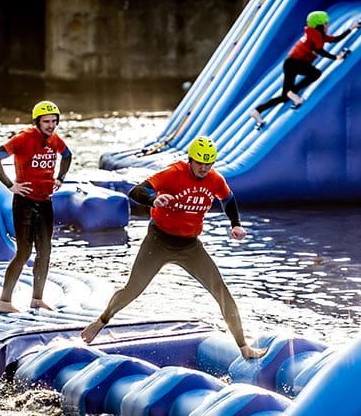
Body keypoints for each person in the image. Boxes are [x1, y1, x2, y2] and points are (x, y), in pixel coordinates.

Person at [81, 136, 266, 360]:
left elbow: (228, 199)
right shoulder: (173, 173)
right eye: (199, 163)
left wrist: (235, 224)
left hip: (190, 246)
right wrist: (153, 201)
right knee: (134, 288)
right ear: (190, 160)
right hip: (159, 241)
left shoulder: (214, 179)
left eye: (209, 164)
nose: (204, 168)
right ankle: (101, 321)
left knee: (221, 290)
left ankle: (244, 347)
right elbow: (136, 192)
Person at [0, 100, 72, 313]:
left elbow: (68, 156)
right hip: (24, 202)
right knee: (24, 253)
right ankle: (4, 301)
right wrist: (10, 185)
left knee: (45, 251)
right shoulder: (24, 138)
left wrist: (60, 177)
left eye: (54, 121)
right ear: (37, 122)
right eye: (46, 122)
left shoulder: (55, 140)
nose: (51, 125)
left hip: (45, 202)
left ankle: (37, 299)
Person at [249, 11, 361, 129]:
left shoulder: (316, 34)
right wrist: (336, 57)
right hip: (295, 63)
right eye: (325, 24)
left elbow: (335, 39)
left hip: (291, 63)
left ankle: (258, 110)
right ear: (318, 26)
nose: (327, 26)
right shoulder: (316, 35)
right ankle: (292, 93)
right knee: (315, 73)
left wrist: (352, 28)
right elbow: (320, 50)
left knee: (284, 97)